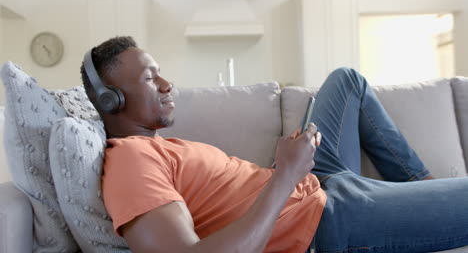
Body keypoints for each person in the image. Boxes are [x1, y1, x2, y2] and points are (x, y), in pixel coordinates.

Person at [81, 36, 468, 253]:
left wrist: (294, 170)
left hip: (317, 181)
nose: (168, 85)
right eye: (151, 79)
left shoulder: (157, 147)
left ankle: (422, 184)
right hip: (325, 221)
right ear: (112, 99)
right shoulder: (129, 162)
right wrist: (286, 174)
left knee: (347, 80)